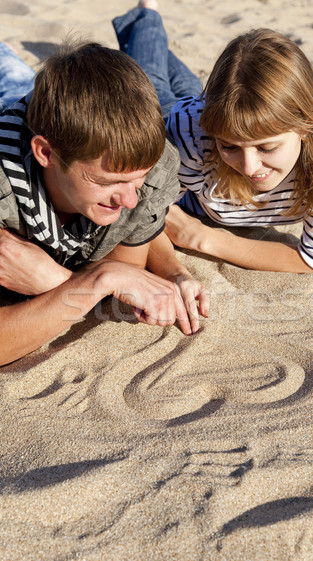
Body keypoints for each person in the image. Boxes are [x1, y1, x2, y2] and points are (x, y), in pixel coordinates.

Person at [113, 2, 313, 274]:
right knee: (151, 83)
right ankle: (148, 13)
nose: (249, 167)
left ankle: (145, 20)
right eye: (230, 146)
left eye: (267, 147)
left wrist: (202, 237)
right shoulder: (187, 135)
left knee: (177, 85)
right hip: (180, 120)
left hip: (205, 119)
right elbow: (141, 220)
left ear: (305, 126)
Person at [0, 38, 209, 366]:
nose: (129, 199)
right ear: (46, 153)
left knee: (18, 80)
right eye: (107, 182)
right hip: (14, 128)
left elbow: (126, 272)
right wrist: (98, 281)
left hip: (45, 125)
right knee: (10, 80)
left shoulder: (151, 165)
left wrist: (73, 281)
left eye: (137, 178)